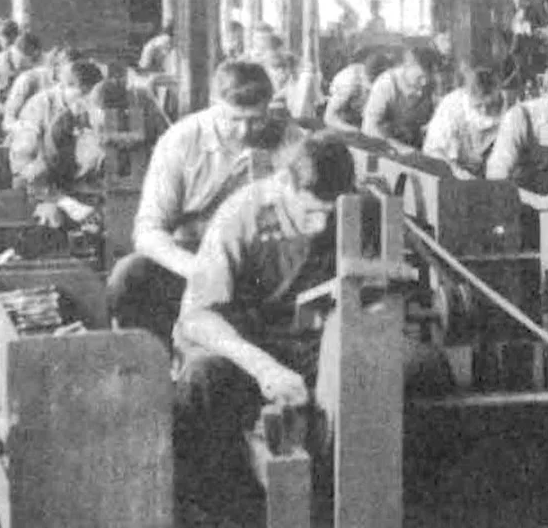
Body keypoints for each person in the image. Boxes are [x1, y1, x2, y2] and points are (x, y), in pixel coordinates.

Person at [172, 133, 453, 519]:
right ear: (285, 183)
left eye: (329, 213)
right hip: (252, 344)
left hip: (320, 341)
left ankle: (408, 507)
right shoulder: (240, 215)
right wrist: (264, 368)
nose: (320, 225)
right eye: (309, 213)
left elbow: (381, 297)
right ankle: (225, 510)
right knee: (201, 378)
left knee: (425, 368)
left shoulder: (362, 211)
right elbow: (198, 317)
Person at [106, 61, 303, 343]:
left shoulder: (290, 139)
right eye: (234, 120)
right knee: (129, 276)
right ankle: (159, 359)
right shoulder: (180, 141)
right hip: (195, 254)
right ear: (214, 104)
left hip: (261, 259)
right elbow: (148, 232)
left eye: (256, 119)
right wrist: (197, 269)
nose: (244, 131)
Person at [486, 63, 548, 209]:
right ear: (543, 96)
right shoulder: (518, 118)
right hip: (518, 207)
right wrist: (538, 201)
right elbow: (496, 180)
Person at [7, 61, 105, 189]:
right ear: (67, 86)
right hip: (37, 176)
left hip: (72, 174)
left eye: (90, 97)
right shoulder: (39, 105)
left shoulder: (86, 107)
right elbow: (24, 157)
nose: (86, 102)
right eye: (83, 94)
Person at [422, 65, 505, 177]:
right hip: (448, 171)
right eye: (478, 106)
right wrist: (456, 172)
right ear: (468, 96)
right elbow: (433, 151)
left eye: (491, 106)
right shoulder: (452, 107)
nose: (484, 111)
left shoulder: (510, 109)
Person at [361, 46, 438, 149]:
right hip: (381, 146)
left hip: (412, 144)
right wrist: (399, 148)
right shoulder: (386, 84)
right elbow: (370, 127)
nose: (424, 83)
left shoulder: (429, 86)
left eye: (428, 78)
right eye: (420, 77)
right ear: (407, 66)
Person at [2, 45, 80, 133]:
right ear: (56, 67)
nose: (75, 76)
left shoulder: (74, 87)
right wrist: (30, 129)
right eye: (71, 71)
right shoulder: (28, 79)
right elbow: (8, 121)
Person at [323, 49, 390, 132]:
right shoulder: (349, 84)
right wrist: (356, 132)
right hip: (343, 118)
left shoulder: (386, 83)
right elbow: (329, 118)